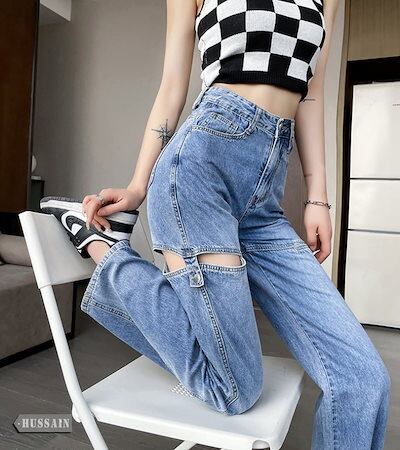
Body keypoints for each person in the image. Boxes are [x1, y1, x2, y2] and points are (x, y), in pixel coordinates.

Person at [40, 0, 391, 448]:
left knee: (363, 379)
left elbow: (312, 93)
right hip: (199, 171)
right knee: (235, 390)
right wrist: (138, 186)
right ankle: (102, 249)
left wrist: (318, 197)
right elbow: (172, 88)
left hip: (265, 197)